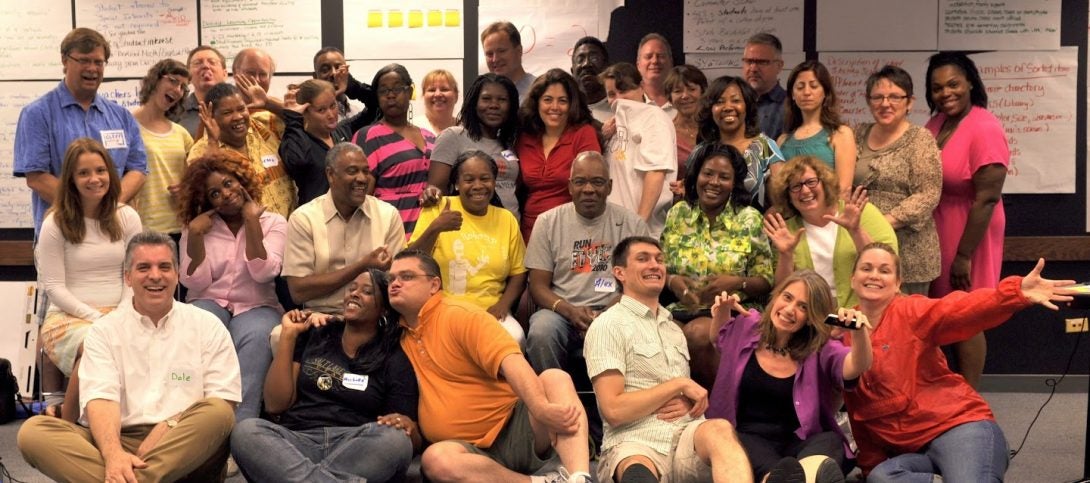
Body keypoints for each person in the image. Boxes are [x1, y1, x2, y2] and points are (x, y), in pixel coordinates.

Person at [17, 231, 242, 483]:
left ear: (177, 275)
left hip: (182, 441)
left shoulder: (207, 325)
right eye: (143, 267)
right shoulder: (104, 331)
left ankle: (126, 479)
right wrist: (114, 454)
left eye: (164, 267)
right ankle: (140, 477)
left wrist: (170, 424)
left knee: (219, 412)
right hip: (117, 439)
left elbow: (224, 400)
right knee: (33, 433)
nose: (155, 276)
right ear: (127, 277)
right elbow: (101, 399)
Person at [842, 242, 1074, 480]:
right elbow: (858, 412)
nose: (874, 276)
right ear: (852, 278)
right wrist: (870, 466)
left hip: (958, 428)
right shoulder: (842, 334)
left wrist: (1014, 294)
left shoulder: (911, 311)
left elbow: (960, 309)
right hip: (914, 452)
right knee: (881, 478)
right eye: (866, 268)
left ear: (898, 283)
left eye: (884, 270)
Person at [388, 249, 593, 483]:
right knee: (436, 460)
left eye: (406, 277)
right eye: (391, 279)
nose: (395, 284)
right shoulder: (398, 334)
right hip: (466, 450)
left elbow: (512, 361)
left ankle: (580, 477)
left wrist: (539, 407)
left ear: (434, 285)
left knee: (555, 378)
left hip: (517, 428)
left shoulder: (461, 315)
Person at [585, 236, 754, 483]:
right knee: (635, 466)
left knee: (720, 430)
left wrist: (689, 401)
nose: (655, 265)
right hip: (635, 442)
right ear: (620, 272)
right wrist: (677, 386)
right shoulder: (607, 325)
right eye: (643, 259)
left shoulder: (672, 328)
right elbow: (614, 409)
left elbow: (691, 395)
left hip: (686, 435)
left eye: (660, 260)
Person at [231, 269, 420, 483]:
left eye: (367, 291)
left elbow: (409, 435)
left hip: (355, 445)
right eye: (351, 289)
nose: (354, 294)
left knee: (395, 441)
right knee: (246, 431)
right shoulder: (318, 334)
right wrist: (288, 336)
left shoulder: (393, 358)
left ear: (384, 310)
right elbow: (275, 405)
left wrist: (407, 428)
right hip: (296, 442)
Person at [707, 270, 872, 482]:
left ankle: (800, 477)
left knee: (829, 440)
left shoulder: (819, 348)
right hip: (747, 437)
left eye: (803, 307)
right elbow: (719, 338)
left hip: (797, 441)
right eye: (787, 297)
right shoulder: (748, 325)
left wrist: (858, 332)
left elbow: (857, 366)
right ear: (775, 297)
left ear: (812, 318)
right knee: (764, 459)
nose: (790, 309)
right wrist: (722, 310)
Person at [35, 139, 143, 422]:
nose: (94, 179)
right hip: (69, 317)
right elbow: (55, 287)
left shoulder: (127, 217)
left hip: (121, 311)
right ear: (70, 179)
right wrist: (97, 318)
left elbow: (134, 275)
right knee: (95, 344)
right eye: (83, 173)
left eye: (100, 170)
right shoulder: (55, 223)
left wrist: (120, 314)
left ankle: (98, 423)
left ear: (110, 173)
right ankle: (72, 423)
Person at [177, 152, 287, 422]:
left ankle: (242, 425)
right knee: (196, 326)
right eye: (214, 193)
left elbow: (264, 274)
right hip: (207, 300)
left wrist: (252, 223)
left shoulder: (274, 223)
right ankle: (191, 421)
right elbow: (194, 282)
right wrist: (195, 237)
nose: (225, 194)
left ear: (241, 180)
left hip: (257, 304)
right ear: (205, 201)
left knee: (257, 337)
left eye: (228, 184)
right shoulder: (197, 227)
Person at [924, 52, 1010, 389]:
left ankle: (970, 399)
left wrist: (964, 256)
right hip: (939, 225)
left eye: (953, 84)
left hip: (969, 228)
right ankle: (948, 393)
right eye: (937, 87)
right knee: (944, 315)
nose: (946, 93)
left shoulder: (984, 126)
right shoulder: (936, 124)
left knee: (967, 315)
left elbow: (987, 197)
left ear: (970, 83)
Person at [525, 151, 650, 374]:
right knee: (541, 330)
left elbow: (641, 283)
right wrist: (570, 311)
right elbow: (537, 286)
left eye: (597, 182)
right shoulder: (547, 222)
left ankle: (620, 404)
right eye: (580, 182)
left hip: (617, 309)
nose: (589, 189)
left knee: (636, 326)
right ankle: (556, 399)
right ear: (570, 186)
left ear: (609, 186)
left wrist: (607, 315)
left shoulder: (633, 224)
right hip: (561, 312)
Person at [13, 27, 147, 236]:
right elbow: (37, 177)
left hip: (113, 232)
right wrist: (87, 212)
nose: (92, 68)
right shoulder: (37, 114)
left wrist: (109, 206)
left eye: (98, 62)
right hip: (62, 234)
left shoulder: (122, 117)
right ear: (65, 61)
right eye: (84, 60)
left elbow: (138, 170)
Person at [662, 143, 774, 390]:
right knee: (660, 335)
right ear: (696, 176)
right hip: (683, 307)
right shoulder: (678, 213)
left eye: (724, 177)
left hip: (735, 310)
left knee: (698, 334)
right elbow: (661, 269)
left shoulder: (749, 218)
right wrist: (673, 282)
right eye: (708, 173)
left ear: (734, 184)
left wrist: (737, 283)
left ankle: (717, 408)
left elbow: (766, 280)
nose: (714, 182)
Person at [410, 150, 527, 344]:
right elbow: (411, 260)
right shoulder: (439, 207)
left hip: (490, 313)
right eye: (469, 179)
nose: (478, 186)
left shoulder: (506, 219)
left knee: (515, 338)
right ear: (456, 184)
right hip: (440, 309)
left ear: (494, 182)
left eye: (485, 179)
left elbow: (519, 273)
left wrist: (503, 305)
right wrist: (436, 228)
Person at [283, 142, 405, 315]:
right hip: (322, 317)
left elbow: (397, 280)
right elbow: (298, 292)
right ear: (331, 175)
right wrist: (362, 265)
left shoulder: (387, 215)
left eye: (366, 171)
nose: (362, 178)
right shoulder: (304, 218)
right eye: (352, 171)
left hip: (373, 319)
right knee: (278, 335)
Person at [854, 65, 942, 296]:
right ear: (868, 100)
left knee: (907, 325)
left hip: (909, 252)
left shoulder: (920, 139)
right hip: (862, 245)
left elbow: (928, 195)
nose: (885, 103)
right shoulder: (857, 133)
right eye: (878, 97)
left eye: (894, 97)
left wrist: (881, 224)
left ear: (910, 102)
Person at [764, 156, 897, 307]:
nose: (805, 190)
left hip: (863, 311)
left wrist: (855, 230)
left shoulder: (861, 213)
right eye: (796, 186)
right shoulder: (785, 231)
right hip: (812, 318)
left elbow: (888, 266)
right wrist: (786, 255)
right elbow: (782, 292)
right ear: (787, 195)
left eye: (811, 182)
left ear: (825, 183)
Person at [187, 82, 297, 218]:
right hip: (247, 235)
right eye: (227, 112)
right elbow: (202, 198)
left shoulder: (264, 125)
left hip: (290, 229)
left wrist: (268, 103)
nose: (238, 117)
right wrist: (213, 142)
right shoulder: (201, 150)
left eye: (241, 109)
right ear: (212, 117)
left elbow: (303, 120)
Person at [516, 68, 602, 241]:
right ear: (537, 102)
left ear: (572, 105)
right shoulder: (525, 137)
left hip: (572, 230)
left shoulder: (583, 134)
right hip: (530, 231)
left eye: (562, 101)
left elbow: (591, 186)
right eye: (547, 100)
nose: (554, 107)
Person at [353, 63, 435, 238]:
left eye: (397, 89)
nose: (390, 95)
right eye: (383, 91)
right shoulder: (368, 136)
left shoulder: (430, 137)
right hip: (390, 233)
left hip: (430, 230)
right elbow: (359, 197)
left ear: (409, 91)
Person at [424, 73, 522, 219]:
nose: (494, 105)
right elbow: (436, 191)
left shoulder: (508, 144)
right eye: (486, 99)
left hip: (509, 231)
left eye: (502, 100)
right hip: (468, 232)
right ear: (474, 103)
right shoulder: (453, 136)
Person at [598, 62, 677, 237]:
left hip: (642, 233)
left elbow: (656, 172)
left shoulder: (654, 118)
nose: (618, 99)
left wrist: (638, 225)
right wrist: (604, 138)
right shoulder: (615, 126)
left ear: (641, 88)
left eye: (624, 90)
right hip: (613, 231)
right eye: (611, 94)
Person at [697, 76, 785, 209]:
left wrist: (773, 213)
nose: (728, 107)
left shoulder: (766, 147)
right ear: (710, 109)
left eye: (735, 100)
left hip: (755, 227)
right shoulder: (702, 150)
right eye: (720, 102)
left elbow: (784, 194)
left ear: (747, 106)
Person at [280, 79, 372, 205]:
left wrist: (352, 86)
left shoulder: (343, 130)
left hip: (349, 216)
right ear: (305, 112)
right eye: (321, 110)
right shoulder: (297, 139)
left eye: (333, 106)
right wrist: (293, 119)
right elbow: (297, 162)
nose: (331, 114)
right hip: (315, 219)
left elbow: (376, 106)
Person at [131, 59, 194, 243]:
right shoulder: (126, 125)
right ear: (155, 80)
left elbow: (196, 176)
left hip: (179, 228)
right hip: (141, 227)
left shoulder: (181, 133)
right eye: (173, 81)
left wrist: (186, 189)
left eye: (183, 87)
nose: (177, 90)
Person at [779, 60, 856, 199]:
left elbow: (844, 190)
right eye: (800, 87)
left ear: (825, 92)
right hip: (790, 217)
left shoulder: (841, 134)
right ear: (792, 94)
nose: (807, 92)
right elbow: (779, 191)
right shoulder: (782, 141)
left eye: (814, 86)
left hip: (830, 217)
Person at [311, 46, 380, 123]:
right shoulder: (311, 117)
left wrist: (353, 87)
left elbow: (379, 104)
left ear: (347, 73)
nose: (334, 73)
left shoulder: (356, 111)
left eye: (339, 68)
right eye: (325, 70)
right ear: (315, 77)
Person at [664, 64, 708, 182]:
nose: (685, 96)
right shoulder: (666, 133)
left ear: (702, 92)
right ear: (670, 98)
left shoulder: (715, 128)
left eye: (692, 89)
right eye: (678, 91)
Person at [176, 45, 229, 138]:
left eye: (212, 62)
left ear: (225, 74)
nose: (205, 66)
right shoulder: (175, 111)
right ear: (189, 76)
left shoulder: (240, 108)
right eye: (197, 63)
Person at [742, 33, 787, 140]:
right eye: (749, 61)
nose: (753, 69)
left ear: (779, 66)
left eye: (762, 62)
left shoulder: (790, 106)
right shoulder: (733, 103)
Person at [482, 21, 536, 103]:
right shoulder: (482, 95)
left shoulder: (538, 92)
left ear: (519, 51)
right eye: (489, 54)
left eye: (501, 51)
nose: (495, 59)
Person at [570, 36, 612, 123]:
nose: (586, 64)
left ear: (608, 67)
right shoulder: (564, 114)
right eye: (580, 60)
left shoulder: (622, 109)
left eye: (594, 58)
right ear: (572, 72)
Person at [635, 33, 675, 114]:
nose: (655, 61)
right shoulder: (629, 102)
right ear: (638, 65)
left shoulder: (684, 101)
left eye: (661, 56)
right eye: (648, 56)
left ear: (671, 63)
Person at [421, 69, 459, 135]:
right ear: (423, 95)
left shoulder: (467, 130)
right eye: (432, 90)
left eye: (444, 89)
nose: (437, 94)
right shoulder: (411, 129)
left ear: (456, 96)